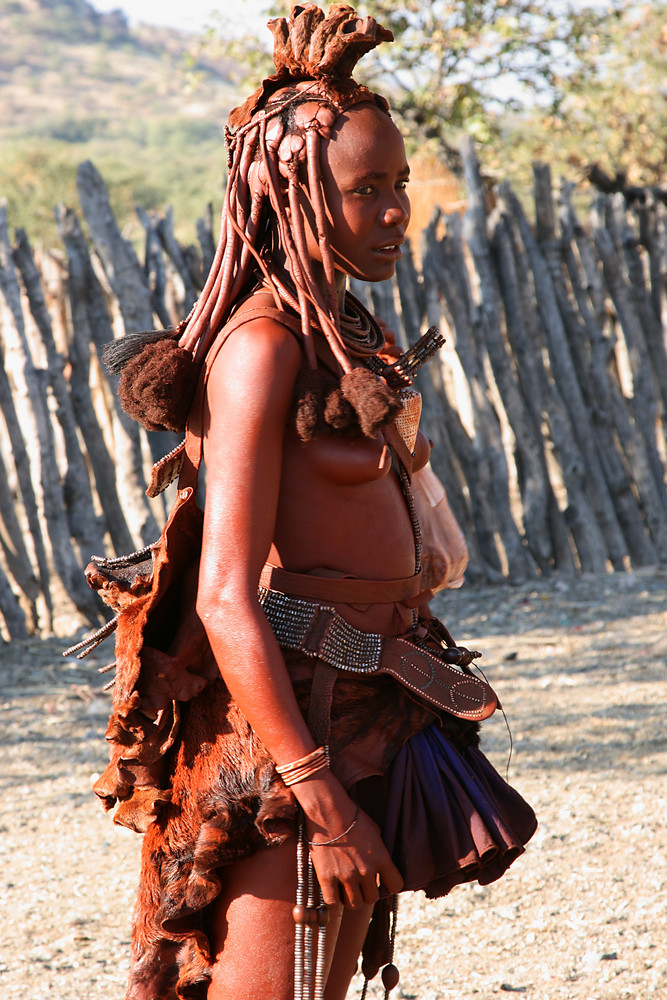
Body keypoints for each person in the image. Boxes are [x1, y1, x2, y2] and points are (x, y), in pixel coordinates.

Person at [88, 5, 537, 999]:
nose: (395, 210)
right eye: (364, 189)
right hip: (287, 728)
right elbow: (223, 596)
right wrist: (316, 791)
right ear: (285, 193)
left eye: (400, 183)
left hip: (375, 703)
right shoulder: (260, 350)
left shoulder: (341, 328)